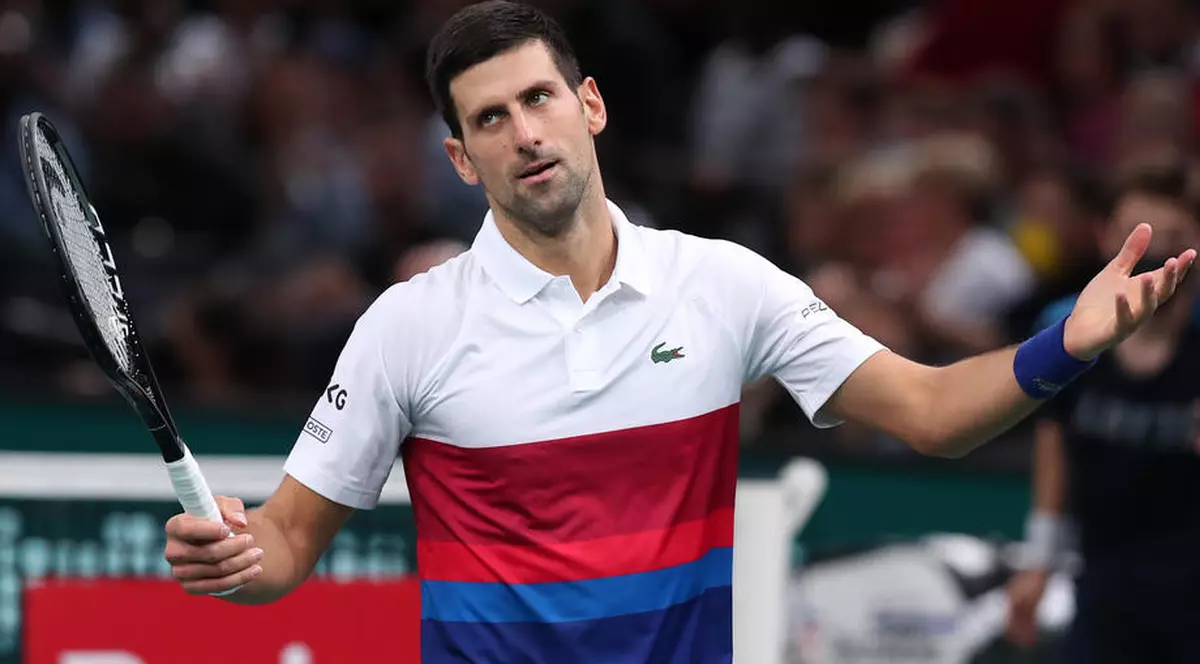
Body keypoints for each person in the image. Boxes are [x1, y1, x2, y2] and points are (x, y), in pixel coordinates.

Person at [161, 2, 1195, 662]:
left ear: (591, 104)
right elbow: (291, 540)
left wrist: (1071, 343)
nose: (525, 132)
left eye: (539, 98)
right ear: (461, 159)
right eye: (489, 119)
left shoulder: (722, 285)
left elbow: (929, 413)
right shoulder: (409, 327)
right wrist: (238, 561)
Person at [1006, 156, 1200, 663]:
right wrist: (1039, 561)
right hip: (1103, 582)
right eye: (1135, 235)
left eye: (1172, 235)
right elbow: (1054, 446)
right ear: (1104, 238)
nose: (1153, 252)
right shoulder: (1067, 329)